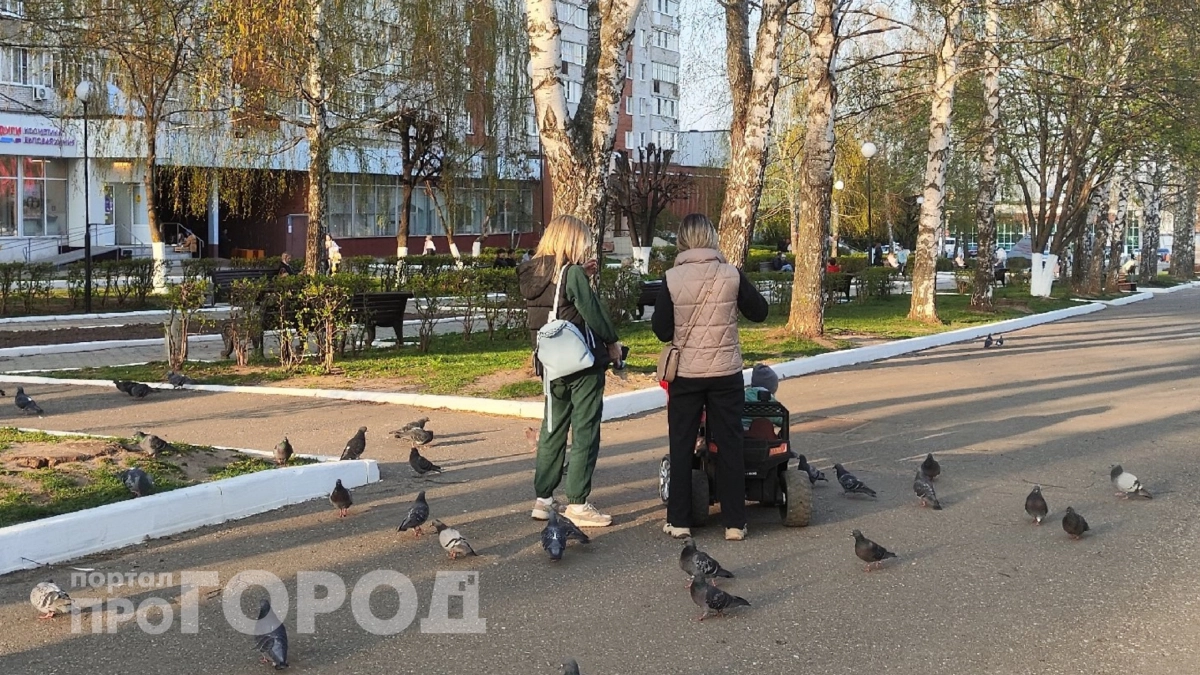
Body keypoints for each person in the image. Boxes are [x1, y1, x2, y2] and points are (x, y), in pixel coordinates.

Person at [653, 213, 769, 542]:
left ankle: (679, 521)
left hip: (686, 375)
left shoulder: (672, 278)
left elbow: (661, 329)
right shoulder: (731, 274)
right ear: (712, 237)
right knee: (730, 443)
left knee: (681, 445)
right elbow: (759, 311)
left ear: (682, 240)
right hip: (726, 372)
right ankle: (734, 522)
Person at [517, 215, 623, 529]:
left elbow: (557, 301)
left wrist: (580, 276)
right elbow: (593, 313)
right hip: (581, 363)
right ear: (573, 241)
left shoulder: (534, 271)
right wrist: (612, 342)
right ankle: (577, 503)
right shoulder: (572, 273)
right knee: (585, 430)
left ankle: (543, 499)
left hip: (550, 364)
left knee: (552, 429)